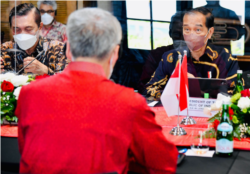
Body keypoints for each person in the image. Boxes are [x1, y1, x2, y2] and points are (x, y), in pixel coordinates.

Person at [16, 8, 178, 174]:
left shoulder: (29, 93)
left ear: (68, 49)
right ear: (115, 53)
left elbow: (26, 151)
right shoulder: (128, 102)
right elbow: (163, 163)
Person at [144, 7, 239, 100]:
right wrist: (175, 90)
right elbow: (150, 89)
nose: (191, 35)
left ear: (210, 32)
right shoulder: (171, 58)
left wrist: (197, 88)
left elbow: (237, 94)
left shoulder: (225, 58)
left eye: (198, 30)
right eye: (187, 29)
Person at [0, 3, 68, 75]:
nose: (23, 35)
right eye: (17, 29)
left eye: (28, 29)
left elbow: (68, 82)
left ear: (40, 26)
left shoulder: (58, 49)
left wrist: (46, 71)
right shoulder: (5, 49)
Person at [138, 11, 185, 94]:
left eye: (186, 34)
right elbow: (144, 86)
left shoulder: (202, 56)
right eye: (177, 34)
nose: (182, 38)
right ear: (170, 33)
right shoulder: (158, 55)